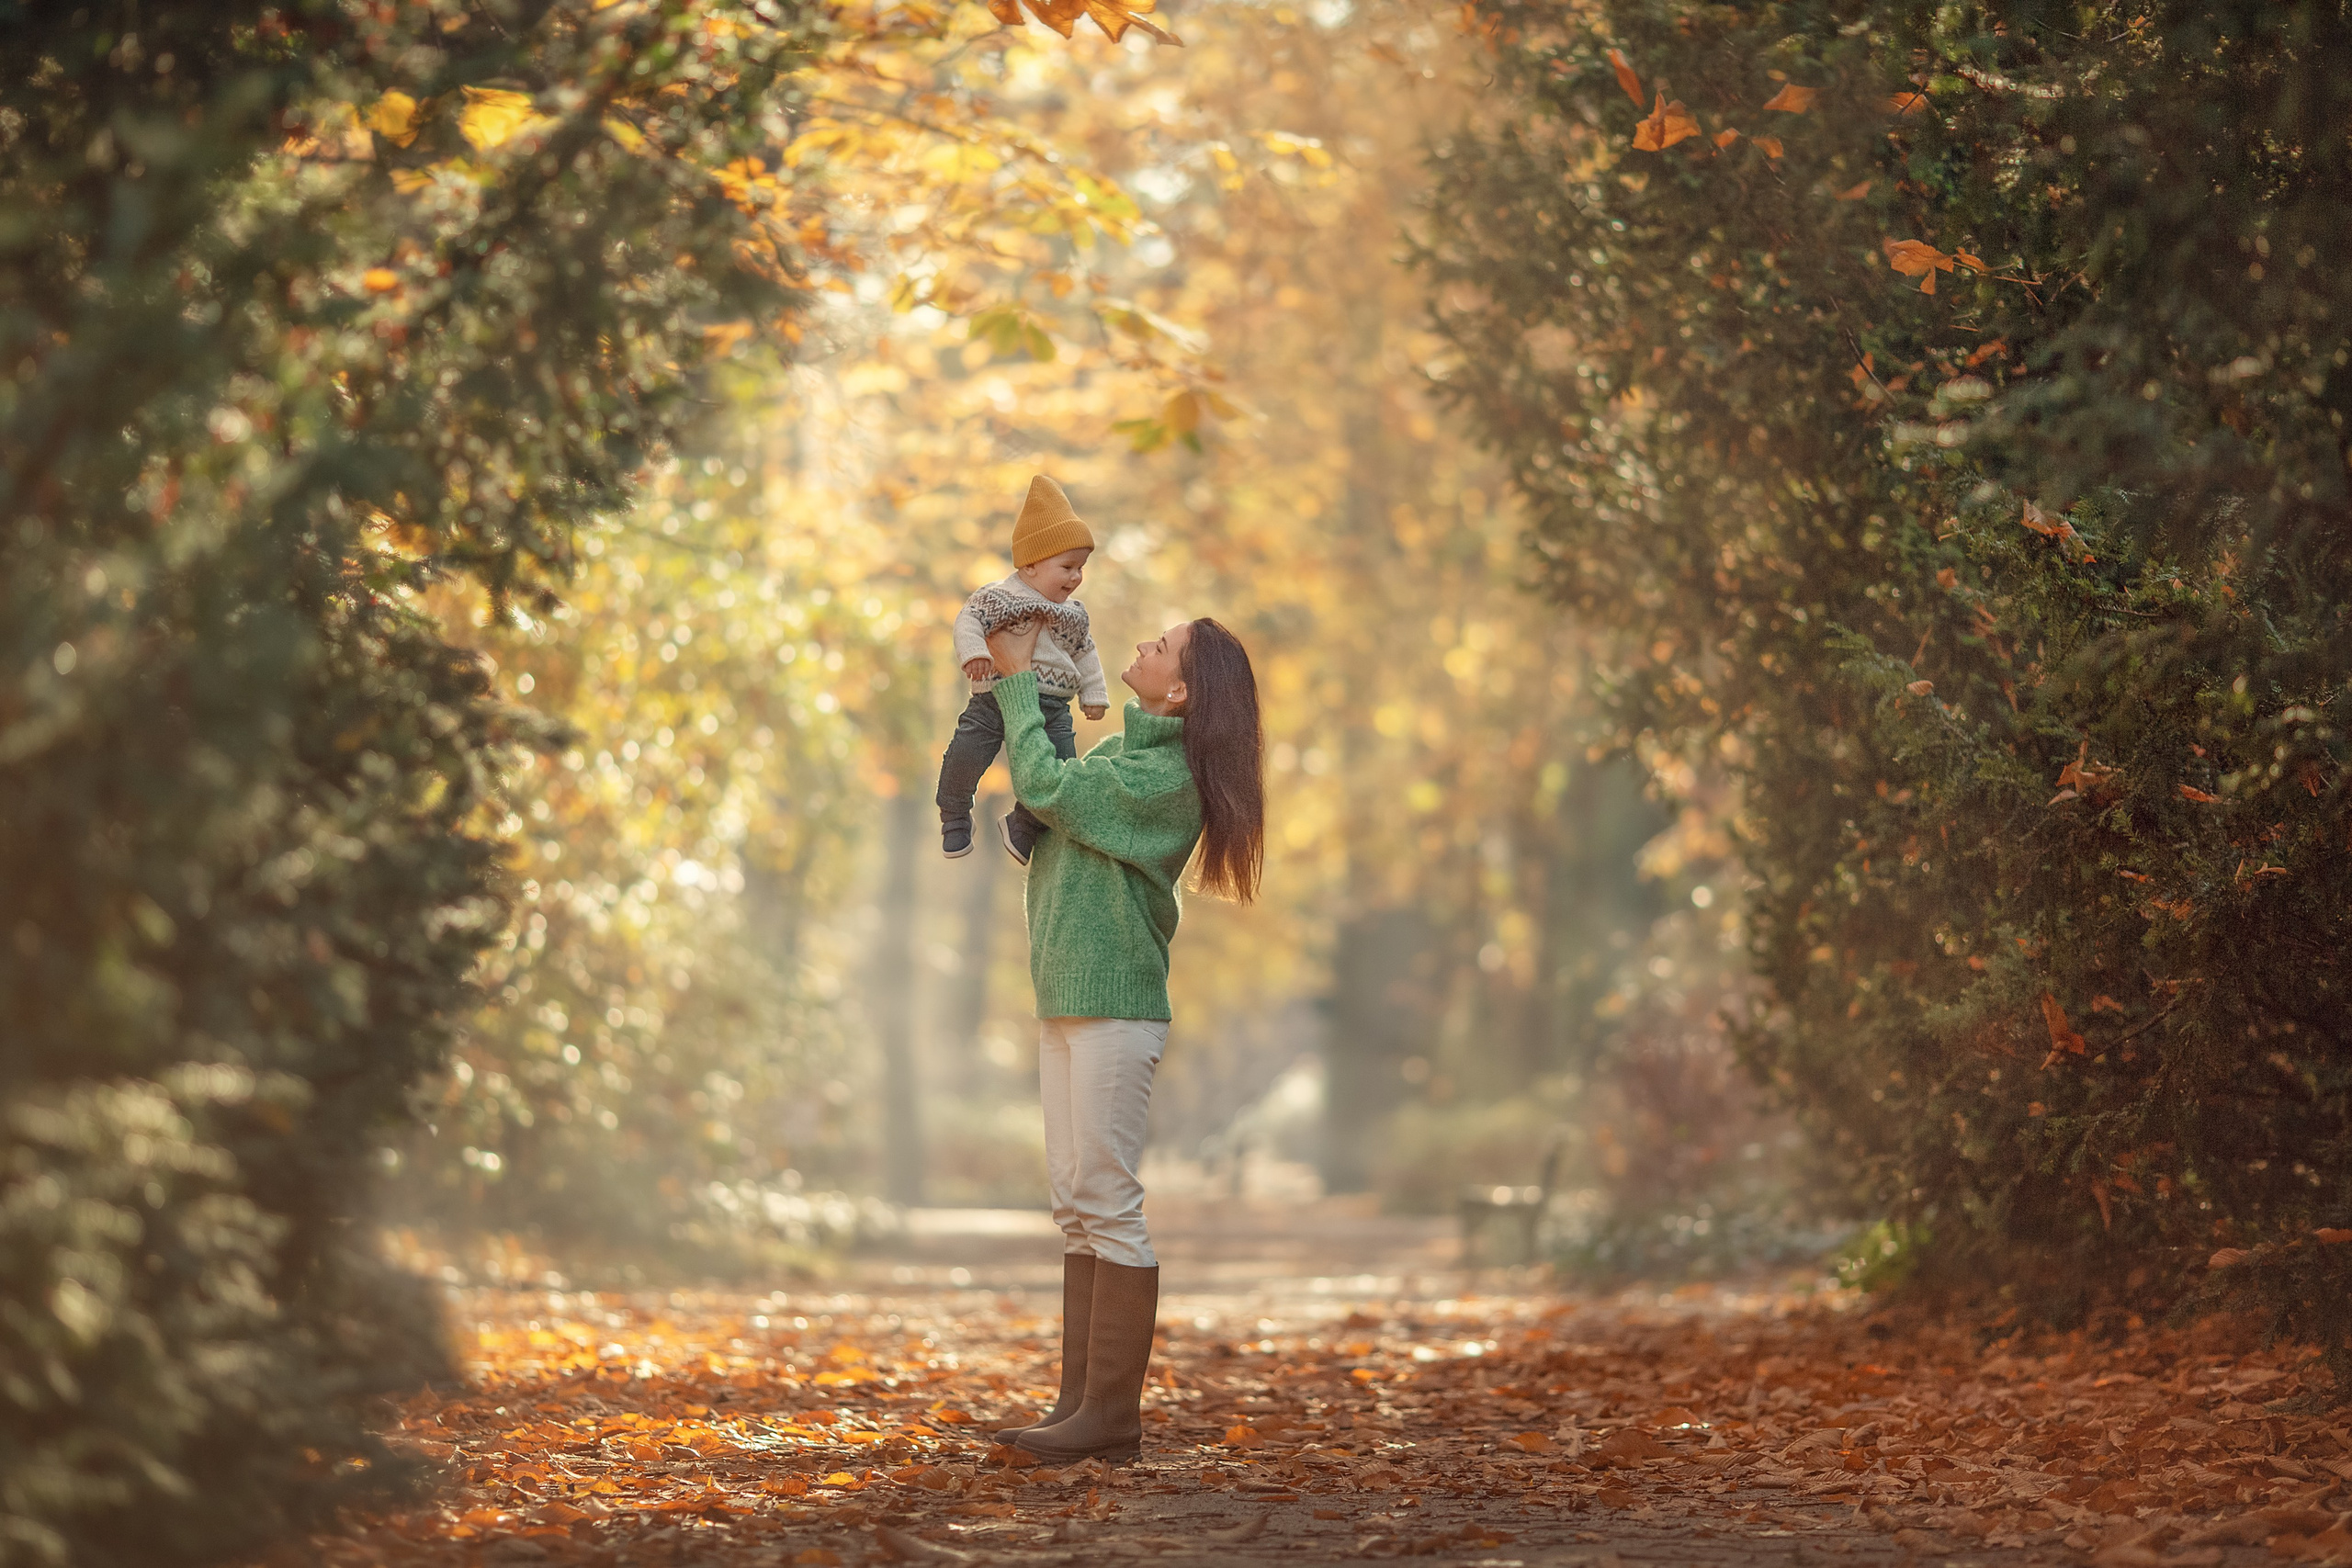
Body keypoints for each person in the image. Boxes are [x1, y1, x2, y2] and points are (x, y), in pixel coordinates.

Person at [983, 614, 1264, 1464]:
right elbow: (1051, 810)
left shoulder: (1164, 775)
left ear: (1178, 691)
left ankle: (1112, 1417)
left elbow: (1047, 790)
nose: (1141, 645)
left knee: (1107, 1199)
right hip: (1068, 1000)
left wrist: (1016, 681)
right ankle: (1079, 1405)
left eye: (1160, 647)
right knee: (1075, 1201)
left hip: (1116, 1006)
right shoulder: (1121, 757)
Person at [934, 475, 1109, 864]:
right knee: (965, 755)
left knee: (1062, 771)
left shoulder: (1074, 615)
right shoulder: (1000, 597)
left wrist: (1094, 693)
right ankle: (954, 815)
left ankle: (1023, 826)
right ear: (1030, 564)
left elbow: (1086, 652)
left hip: (1053, 709)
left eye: (1081, 568)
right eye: (1067, 567)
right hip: (994, 699)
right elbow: (967, 621)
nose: (1076, 577)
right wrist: (974, 654)